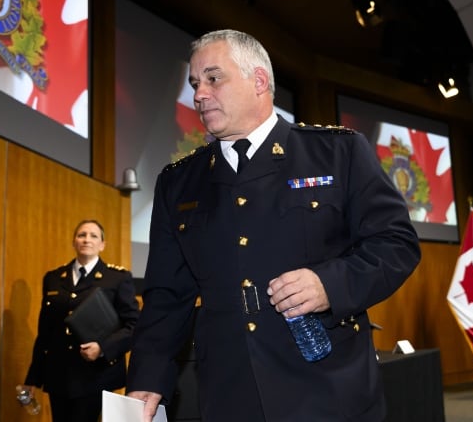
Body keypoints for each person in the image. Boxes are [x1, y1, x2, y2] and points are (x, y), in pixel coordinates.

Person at [125, 29, 421, 422]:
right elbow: (166, 294)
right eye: (195, 83)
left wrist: (329, 284)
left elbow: (396, 243)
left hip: (328, 388)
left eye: (214, 78)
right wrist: (147, 376)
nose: (198, 93)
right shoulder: (179, 182)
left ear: (259, 81)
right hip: (230, 392)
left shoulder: (337, 153)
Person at [22, 219, 140, 422]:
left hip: (96, 375)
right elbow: (45, 334)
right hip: (59, 374)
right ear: (74, 242)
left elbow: (134, 326)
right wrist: (32, 379)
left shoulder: (117, 278)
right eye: (81, 235)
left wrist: (103, 348)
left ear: (102, 244)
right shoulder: (53, 278)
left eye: (93, 236)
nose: (87, 240)